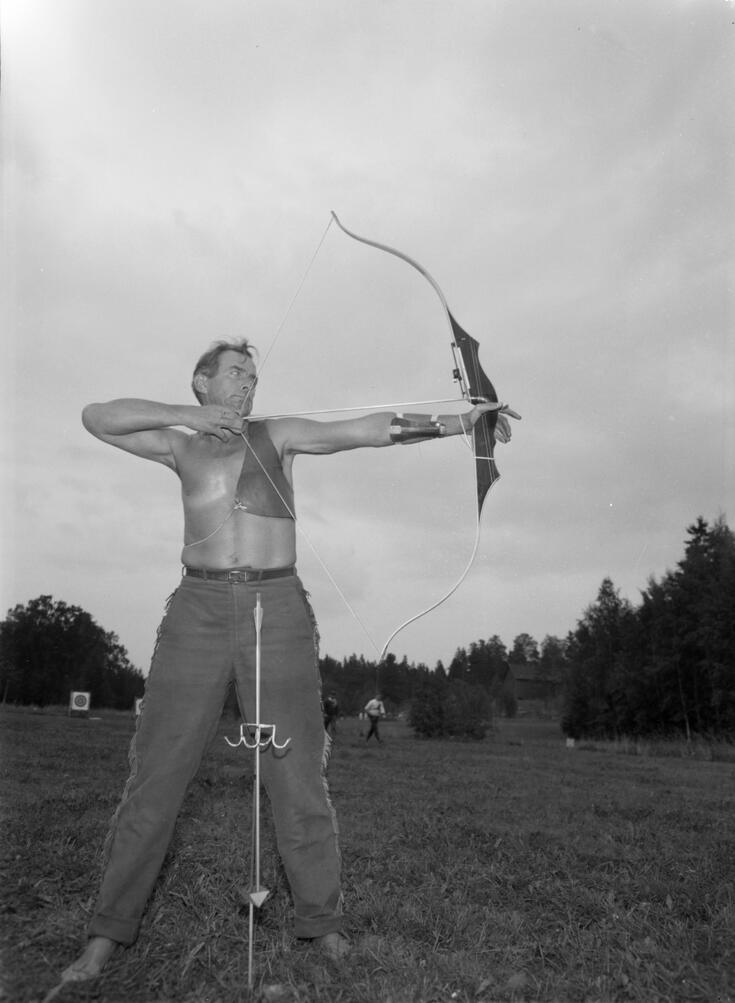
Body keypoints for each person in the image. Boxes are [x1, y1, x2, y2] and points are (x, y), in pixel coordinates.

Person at [62, 339, 513, 983]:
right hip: (197, 609)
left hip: (276, 607)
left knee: (297, 769)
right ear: (203, 382)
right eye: (237, 371)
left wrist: (459, 421)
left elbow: (365, 429)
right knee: (157, 773)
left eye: (254, 373)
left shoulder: (278, 435)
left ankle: (322, 922)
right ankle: (108, 933)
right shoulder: (180, 443)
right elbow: (94, 416)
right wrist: (186, 417)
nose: (249, 381)